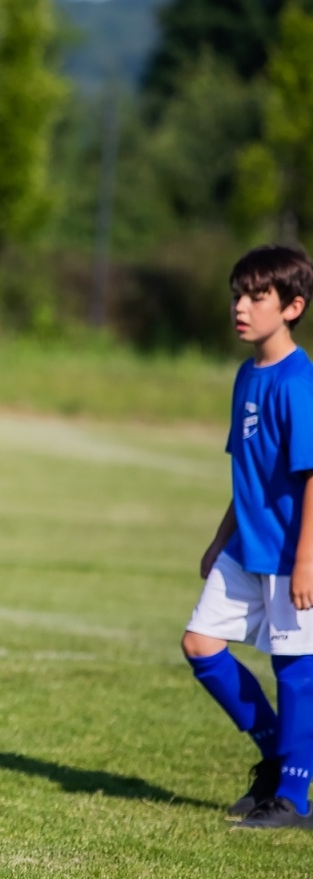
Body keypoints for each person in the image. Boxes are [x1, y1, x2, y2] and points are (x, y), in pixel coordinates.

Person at [183, 244, 313, 830]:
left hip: (292, 550)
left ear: (292, 306)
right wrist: (218, 540)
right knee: (200, 644)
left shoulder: (299, 382)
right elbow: (248, 473)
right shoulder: (246, 375)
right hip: (246, 544)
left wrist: (308, 558)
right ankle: (274, 760)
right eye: (238, 294)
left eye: (257, 297)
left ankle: (294, 796)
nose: (241, 306)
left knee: (295, 670)